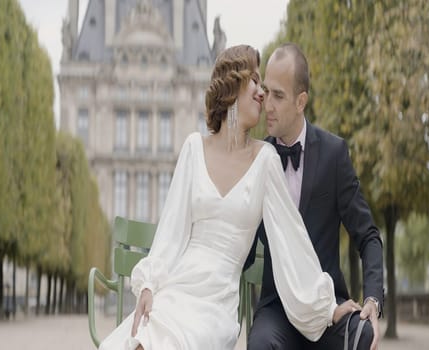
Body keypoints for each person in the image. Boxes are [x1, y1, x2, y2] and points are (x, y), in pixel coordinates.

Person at [98, 45, 357, 350]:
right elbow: (171, 231)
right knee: (142, 340)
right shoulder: (194, 148)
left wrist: (327, 308)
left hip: (216, 305)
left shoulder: (266, 160)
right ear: (232, 86)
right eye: (255, 81)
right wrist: (148, 285)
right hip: (176, 289)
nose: (262, 92)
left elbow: (291, 241)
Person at [246, 43, 384, 350]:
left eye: (278, 96)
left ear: (301, 101)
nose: (267, 104)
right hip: (277, 311)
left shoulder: (334, 154)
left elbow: (368, 236)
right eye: (266, 92)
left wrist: (373, 299)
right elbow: (239, 246)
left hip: (327, 310)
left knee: (364, 335)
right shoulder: (257, 161)